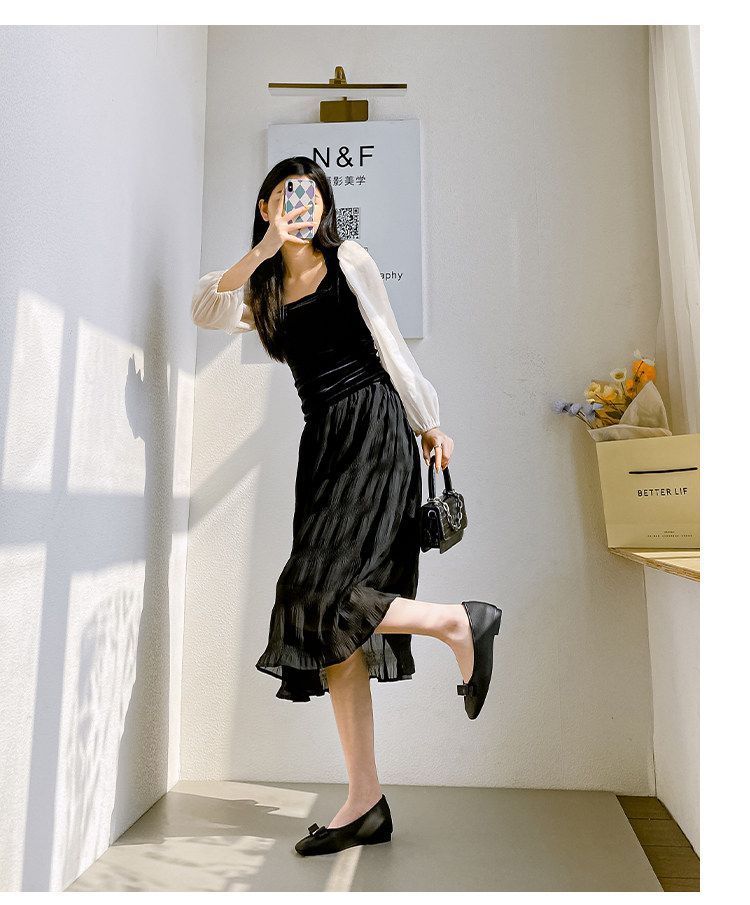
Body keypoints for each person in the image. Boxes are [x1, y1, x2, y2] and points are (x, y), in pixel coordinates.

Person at [191, 156, 502, 856]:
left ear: (324, 205)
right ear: (267, 205)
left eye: (310, 195)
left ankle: (459, 621)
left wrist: (428, 421)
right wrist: (263, 251)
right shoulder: (263, 290)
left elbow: (389, 343)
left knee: (314, 594)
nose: (299, 206)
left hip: (373, 427)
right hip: (323, 445)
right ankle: (365, 802)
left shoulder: (348, 260)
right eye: (285, 195)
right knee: (331, 626)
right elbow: (204, 307)